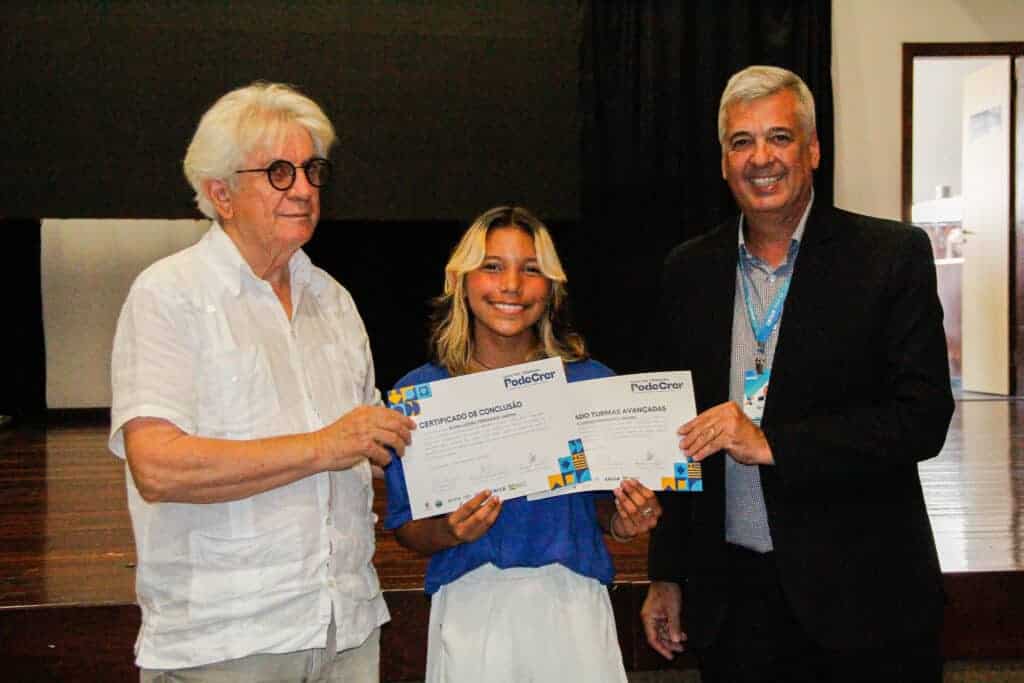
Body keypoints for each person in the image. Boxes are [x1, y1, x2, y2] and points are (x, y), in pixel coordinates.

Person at [641, 66, 954, 682]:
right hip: (733, 603)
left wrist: (773, 444)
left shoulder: (890, 257)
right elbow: (678, 430)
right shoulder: (687, 271)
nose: (761, 158)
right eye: (742, 142)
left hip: (865, 600)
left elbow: (922, 419)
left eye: (779, 137)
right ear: (724, 161)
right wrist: (668, 573)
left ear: (812, 150)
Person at [109, 82, 415, 682]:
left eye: (312, 170)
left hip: (346, 629)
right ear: (220, 194)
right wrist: (325, 446)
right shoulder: (170, 294)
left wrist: (484, 447)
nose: (303, 188)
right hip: (228, 641)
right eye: (278, 172)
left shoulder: (333, 301)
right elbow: (157, 467)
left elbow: (369, 446)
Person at [384, 206, 661, 682]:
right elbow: (407, 526)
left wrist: (624, 521)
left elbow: (600, 507)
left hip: (572, 609)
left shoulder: (591, 384)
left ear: (551, 287)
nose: (511, 285)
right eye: (492, 267)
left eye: (531, 270)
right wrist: (451, 531)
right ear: (461, 281)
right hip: (471, 609)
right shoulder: (421, 397)